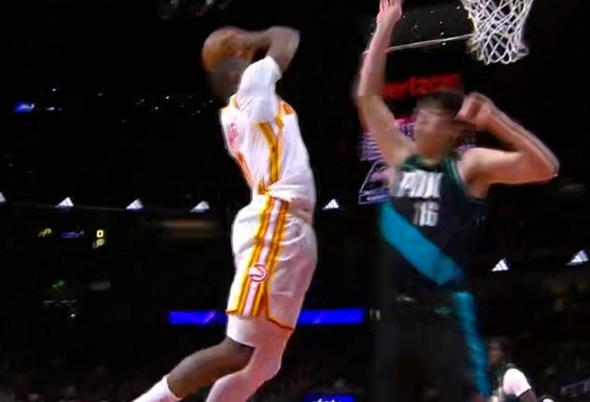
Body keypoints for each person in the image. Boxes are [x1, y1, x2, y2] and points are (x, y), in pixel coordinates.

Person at [355, 1, 559, 401]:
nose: (420, 118)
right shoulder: (401, 157)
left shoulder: (468, 166)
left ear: (451, 130)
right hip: (395, 313)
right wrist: (385, 26)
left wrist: (495, 120)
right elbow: (367, 96)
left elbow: (544, 168)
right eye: (419, 112)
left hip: (444, 311)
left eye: (431, 114)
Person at [134, 26, 317, 402]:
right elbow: (287, 37)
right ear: (236, 56)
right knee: (238, 351)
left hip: (288, 222)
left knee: (265, 363)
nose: (248, 46)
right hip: (276, 218)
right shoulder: (251, 85)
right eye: (238, 41)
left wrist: (240, 43)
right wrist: (256, 37)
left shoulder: (243, 104)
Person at [487, 337, 537, 402]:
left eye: (493, 349)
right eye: (488, 350)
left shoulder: (512, 374)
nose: (490, 354)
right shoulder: (494, 377)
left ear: (503, 353)